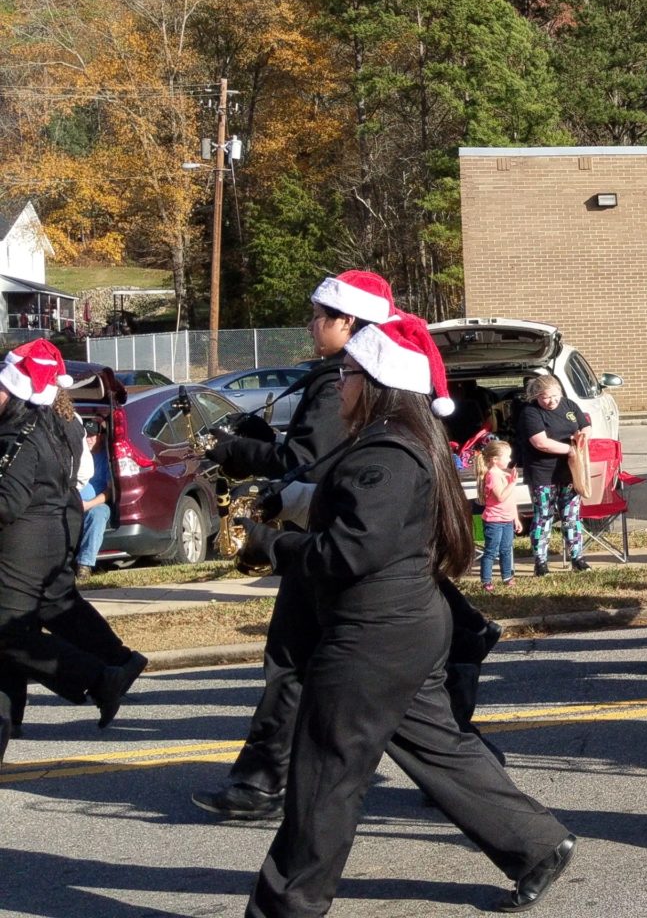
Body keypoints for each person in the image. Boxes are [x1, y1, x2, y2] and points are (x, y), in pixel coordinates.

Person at [236, 314, 575, 916]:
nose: (338, 386)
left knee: (324, 776)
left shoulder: (388, 451)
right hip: (402, 626)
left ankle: (287, 905)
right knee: (437, 747)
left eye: (347, 375)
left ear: (375, 383)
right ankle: (536, 845)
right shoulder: (395, 442)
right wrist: (290, 503)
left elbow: (351, 550)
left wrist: (272, 545)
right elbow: (367, 519)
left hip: (374, 635)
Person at [195, 271, 503, 821]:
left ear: (351, 323)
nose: (312, 326)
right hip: (351, 536)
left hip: (341, 540)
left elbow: (309, 462)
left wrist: (236, 452)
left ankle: (265, 782)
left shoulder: (355, 377)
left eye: (321, 316)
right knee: (399, 693)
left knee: (294, 663)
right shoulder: (347, 375)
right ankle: (486, 781)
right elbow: (314, 457)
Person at [0, 340, 147, 759]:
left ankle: (101, 675)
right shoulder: (60, 421)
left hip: (27, 537)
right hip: (56, 525)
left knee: (9, 632)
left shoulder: (20, 430)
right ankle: (13, 718)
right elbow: (78, 473)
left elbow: (7, 500)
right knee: (46, 609)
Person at [515, 374, 592, 575]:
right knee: (544, 516)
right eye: (546, 398)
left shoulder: (569, 405)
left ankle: (578, 558)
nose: (552, 402)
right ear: (536, 396)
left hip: (569, 472)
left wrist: (583, 437)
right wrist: (570, 449)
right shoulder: (531, 413)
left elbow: (585, 425)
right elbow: (540, 442)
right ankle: (540, 562)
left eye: (555, 396)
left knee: (571, 516)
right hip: (543, 473)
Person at [478, 440, 519, 592]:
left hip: (507, 519)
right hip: (494, 521)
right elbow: (501, 496)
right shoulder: (492, 476)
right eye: (507, 456)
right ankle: (486, 580)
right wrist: (512, 483)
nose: (509, 459)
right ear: (495, 459)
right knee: (491, 551)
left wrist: (516, 518)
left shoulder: (504, 474)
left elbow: (511, 499)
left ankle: (507, 576)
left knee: (506, 549)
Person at [74, 418, 111, 580]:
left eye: (92, 436)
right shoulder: (77, 456)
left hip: (95, 502)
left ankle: (84, 566)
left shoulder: (106, 458)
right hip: (73, 500)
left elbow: (110, 491)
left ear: (100, 437)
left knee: (99, 513)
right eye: (86, 435)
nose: (88, 439)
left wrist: (88, 504)